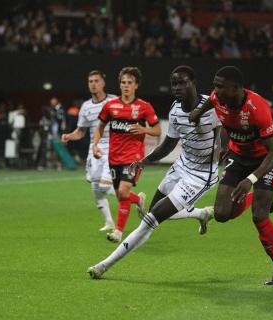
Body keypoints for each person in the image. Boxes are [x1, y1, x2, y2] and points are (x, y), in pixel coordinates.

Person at [87, 65, 221, 279]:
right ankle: (201, 213)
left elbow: (232, 129)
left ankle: (104, 265)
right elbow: (168, 145)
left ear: (193, 83)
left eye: (181, 83)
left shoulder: (213, 107)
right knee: (152, 210)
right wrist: (144, 161)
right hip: (181, 166)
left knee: (151, 219)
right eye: (173, 84)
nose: (176, 88)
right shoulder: (176, 109)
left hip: (200, 175)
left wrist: (226, 154)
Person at [189, 66, 273, 285]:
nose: (214, 91)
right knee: (222, 213)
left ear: (235, 88)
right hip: (238, 155)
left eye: (219, 86)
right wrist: (197, 113)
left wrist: (251, 179)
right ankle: (256, 198)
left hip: (264, 160)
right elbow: (211, 101)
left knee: (259, 216)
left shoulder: (257, 108)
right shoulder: (219, 97)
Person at [92, 67, 161, 243]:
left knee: (123, 191)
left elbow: (157, 129)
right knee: (121, 195)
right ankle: (138, 200)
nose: (126, 86)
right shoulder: (110, 106)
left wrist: (144, 129)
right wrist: (95, 145)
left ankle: (118, 232)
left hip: (134, 158)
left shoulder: (144, 107)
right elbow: (100, 127)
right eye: (123, 82)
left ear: (136, 85)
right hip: (114, 158)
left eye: (130, 83)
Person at [62, 70, 117, 232]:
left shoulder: (114, 101)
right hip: (95, 149)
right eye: (90, 81)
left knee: (104, 186)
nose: (93, 84)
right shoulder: (86, 106)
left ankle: (134, 199)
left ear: (103, 83)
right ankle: (109, 222)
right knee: (95, 188)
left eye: (96, 81)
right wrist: (69, 136)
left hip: (113, 148)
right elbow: (80, 132)